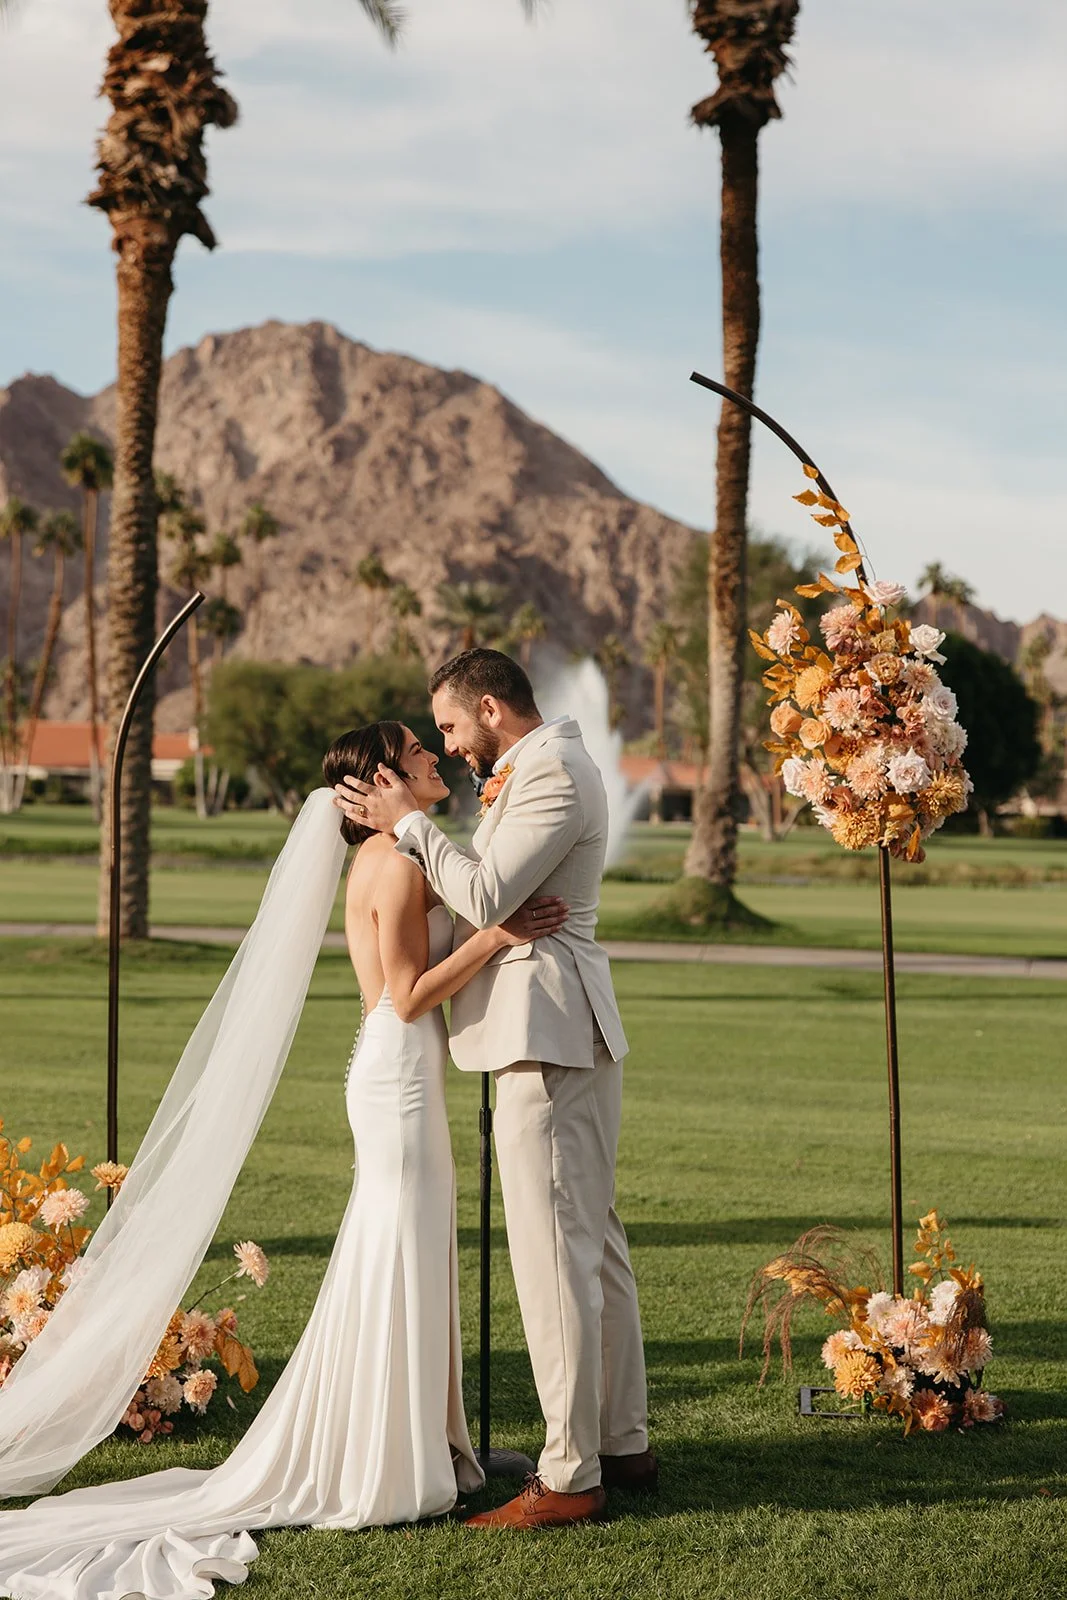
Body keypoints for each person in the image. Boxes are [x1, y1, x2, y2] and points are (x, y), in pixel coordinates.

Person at [0, 721, 566, 1600]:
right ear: (384, 776)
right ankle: (388, 1456)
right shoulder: (397, 860)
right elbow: (411, 997)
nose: (433, 759)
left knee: (404, 1256)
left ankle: (425, 1439)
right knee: (395, 1256)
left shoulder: (393, 854)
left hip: (394, 1074)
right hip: (397, 1075)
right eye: (419, 751)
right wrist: (495, 937)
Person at [333, 648, 654, 1531]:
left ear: (486, 706)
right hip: (548, 1033)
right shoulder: (536, 770)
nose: (445, 745)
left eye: (446, 727)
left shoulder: (550, 772)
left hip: (545, 1036)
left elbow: (479, 891)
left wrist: (406, 822)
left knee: (556, 1259)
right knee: (593, 1246)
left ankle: (569, 1475)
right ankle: (622, 1443)